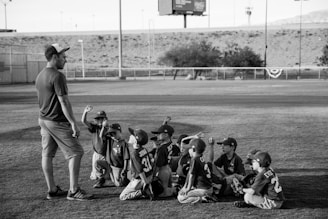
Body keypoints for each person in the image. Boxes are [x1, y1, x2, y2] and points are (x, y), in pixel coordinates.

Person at [35, 43, 92, 200]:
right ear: (55, 57)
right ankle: (73, 191)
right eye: (63, 57)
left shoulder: (40, 75)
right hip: (56, 121)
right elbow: (64, 102)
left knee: (47, 154)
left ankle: (52, 190)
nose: (65, 60)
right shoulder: (57, 76)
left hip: (43, 119)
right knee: (76, 152)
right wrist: (73, 123)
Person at [119, 128, 153, 200]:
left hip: (140, 180)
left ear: (136, 140)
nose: (130, 136)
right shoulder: (144, 149)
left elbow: (140, 170)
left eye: (133, 135)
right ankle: (147, 188)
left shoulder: (134, 154)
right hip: (148, 176)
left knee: (122, 196)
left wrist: (145, 183)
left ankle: (143, 192)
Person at [94, 123, 130, 188]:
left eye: (114, 133)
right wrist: (103, 127)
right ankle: (101, 179)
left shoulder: (123, 143)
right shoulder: (110, 140)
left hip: (117, 167)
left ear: (119, 132)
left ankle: (121, 178)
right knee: (97, 163)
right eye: (110, 134)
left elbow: (126, 158)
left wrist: (124, 170)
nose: (112, 135)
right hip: (108, 164)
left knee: (119, 184)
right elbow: (101, 136)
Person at [177, 139, 213, 204]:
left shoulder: (194, 160)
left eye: (189, 149)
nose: (188, 151)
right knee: (181, 193)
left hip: (203, 190)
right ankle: (204, 197)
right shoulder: (200, 158)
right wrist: (184, 187)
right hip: (207, 188)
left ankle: (203, 199)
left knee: (181, 198)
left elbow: (192, 175)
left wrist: (188, 189)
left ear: (193, 149)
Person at [81, 106, 108, 180]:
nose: (100, 120)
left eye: (101, 118)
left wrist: (104, 127)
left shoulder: (108, 128)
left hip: (106, 154)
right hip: (97, 153)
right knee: (95, 177)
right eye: (98, 119)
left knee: (106, 175)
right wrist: (85, 112)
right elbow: (84, 121)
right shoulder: (94, 127)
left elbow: (102, 135)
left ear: (105, 119)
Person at [151, 124, 176, 198]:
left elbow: (158, 164)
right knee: (168, 186)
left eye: (159, 133)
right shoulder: (171, 144)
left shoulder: (161, 148)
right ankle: (175, 190)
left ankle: (175, 191)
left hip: (163, 170)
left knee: (163, 193)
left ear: (166, 135)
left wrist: (154, 176)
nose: (158, 135)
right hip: (169, 169)